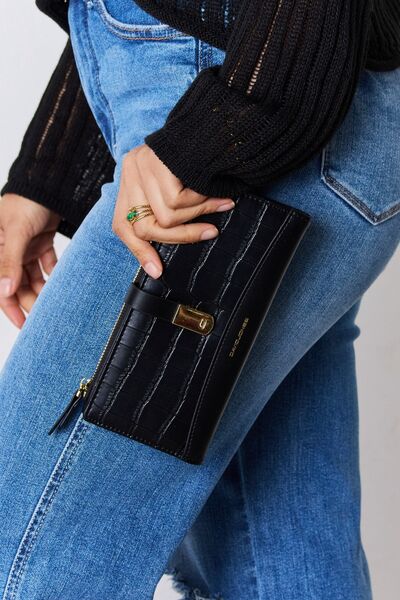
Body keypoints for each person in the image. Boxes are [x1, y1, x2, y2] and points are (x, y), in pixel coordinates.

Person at [0, 0, 399, 598]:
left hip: (249, 116)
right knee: (278, 573)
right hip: (269, 102)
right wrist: (50, 167)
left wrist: (221, 132)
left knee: (20, 555)